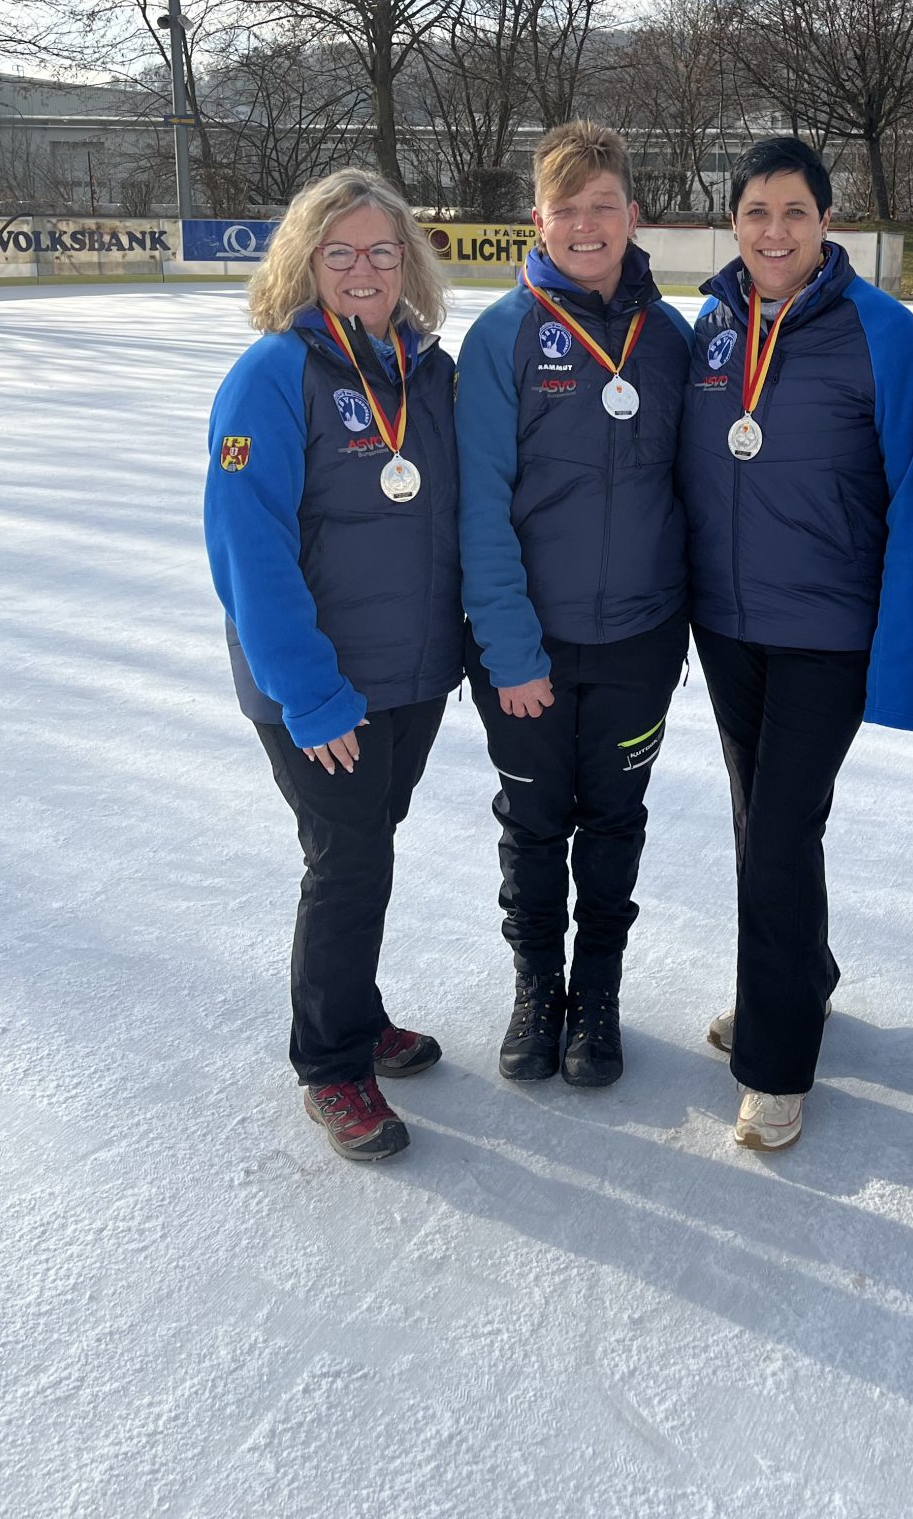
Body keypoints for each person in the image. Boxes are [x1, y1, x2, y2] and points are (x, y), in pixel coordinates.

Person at [679, 136, 913, 1151]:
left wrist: (898, 651)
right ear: (733, 222)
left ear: (827, 221)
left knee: (780, 831)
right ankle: (798, 978)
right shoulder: (709, 325)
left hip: (830, 630)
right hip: (728, 625)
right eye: (755, 212)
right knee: (762, 824)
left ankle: (778, 1063)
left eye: (794, 211)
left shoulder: (883, 332)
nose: (773, 231)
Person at [204, 169, 461, 1164]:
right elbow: (247, 548)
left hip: (410, 677)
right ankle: (330, 1062)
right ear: (305, 260)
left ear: (409, 263)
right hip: (316, 688)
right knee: (346, 860)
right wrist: (311, 693)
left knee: (367, 849)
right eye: (341, 251)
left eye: (382, 251)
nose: (363, 269)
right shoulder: (273, 374)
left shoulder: (422, 371)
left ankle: (355, 1007)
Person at [455, 122, 693, 1089]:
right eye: (568, 209)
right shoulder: (502, 336)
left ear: (634, 216)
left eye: (605, 206)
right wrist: (510, 652)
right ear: (538, 220)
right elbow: (479, 508)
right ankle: (535, 986)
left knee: (614, 821)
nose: (587, 225)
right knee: (534, 820)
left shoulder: (671, 342)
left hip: (639, 641)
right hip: (531, 648)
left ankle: (596, 992)